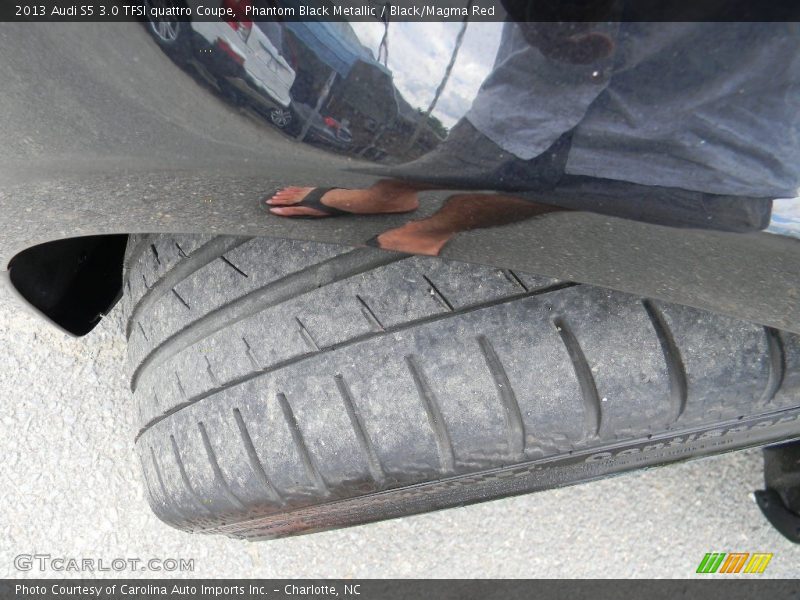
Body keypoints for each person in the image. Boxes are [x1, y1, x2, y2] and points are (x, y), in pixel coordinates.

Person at [266, 21, 800, 256]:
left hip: (722, 133)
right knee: (461, 154)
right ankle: (391, 195)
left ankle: (438, 225)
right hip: (533, 89)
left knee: (550, 192)